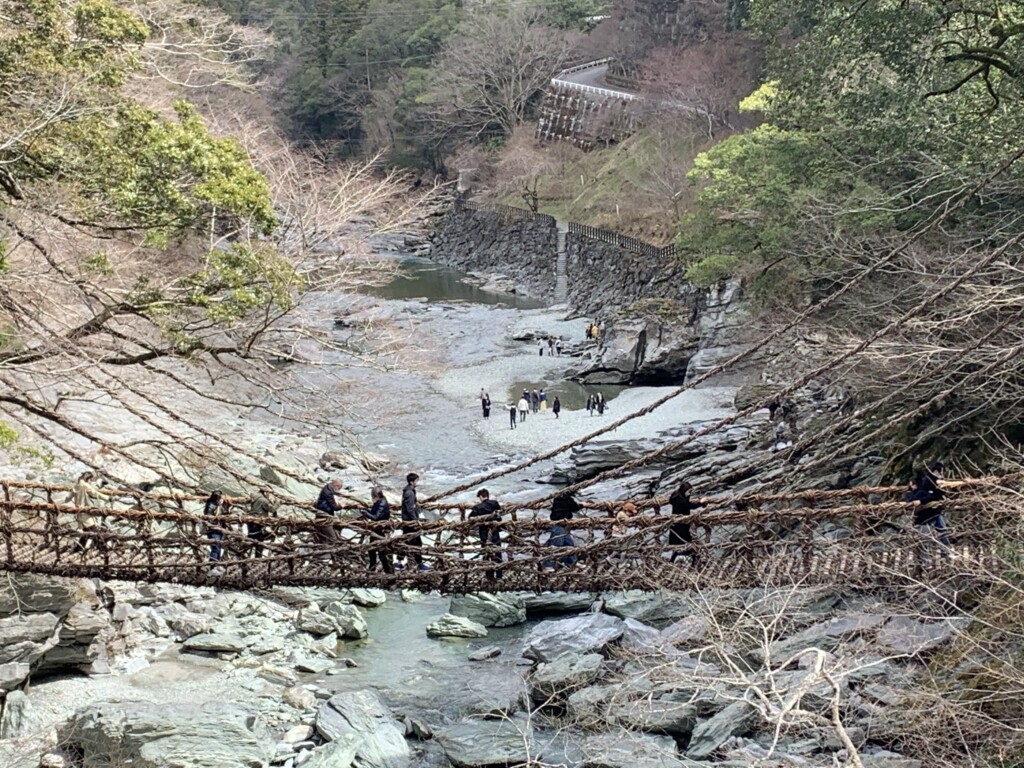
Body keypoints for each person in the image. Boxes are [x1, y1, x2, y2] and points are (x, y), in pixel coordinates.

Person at [909, 462, 950, 548]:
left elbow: (937, 495)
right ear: (935, 471)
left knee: (942, 532)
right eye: (940, 472)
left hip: (934, 511)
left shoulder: (937, 482)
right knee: (926, 537)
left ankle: (946, 552)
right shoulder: (926, 482)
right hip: (924, 514)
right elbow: (929, 495)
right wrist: (922, 500)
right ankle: (944, 553)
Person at [469, 488, 503, 579]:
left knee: (487, 554)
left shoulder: (477, 508)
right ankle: (499, 576)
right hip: (495, 532)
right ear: (488, 495)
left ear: (481, 497)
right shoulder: (495, 503)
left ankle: (489, 577)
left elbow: (470, 519)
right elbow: (499, 516)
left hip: (484, 534)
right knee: (498, 553)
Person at [667, 481, 702, 565]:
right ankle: (695, 561)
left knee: (677, 546)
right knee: (687, 544)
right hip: (682, 526)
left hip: (675, 525)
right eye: (689, 491)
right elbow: (689, 505)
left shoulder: (675, 496)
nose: (690, 494)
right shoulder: (681, 500)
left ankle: (672, 561)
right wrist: (701, 502)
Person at [72, 471, 107, 555]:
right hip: (84, 512)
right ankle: (102, 550)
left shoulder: (77, 485)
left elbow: (69, 496)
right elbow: (94, 493)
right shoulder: (85, 485)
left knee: (86, 532)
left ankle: (77, 549)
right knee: (93, 531)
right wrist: (108, 498)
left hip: (79, 511)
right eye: (91, 479)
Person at [400, 472, 429, 571]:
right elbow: (409, 509)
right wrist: (416, 521)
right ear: (412, 482)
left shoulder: (408, 491)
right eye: (416, 480)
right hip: (410, 522)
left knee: (406, 540)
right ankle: (419, 564)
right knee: (416, 543)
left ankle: (400, 562)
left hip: (407, 521)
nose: (417, 482)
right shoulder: (410, 493)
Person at [545, 493, 581, 568]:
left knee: (568, 543)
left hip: (558, 524)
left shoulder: (557, 499)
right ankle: (548, 566)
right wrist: (583, 505)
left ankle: (572, 562)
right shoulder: (568, 499)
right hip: (559, 526)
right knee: (555, 545)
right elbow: (575, 508)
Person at [362, 487, 393, 574]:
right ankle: (373, 569)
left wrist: (366, 513)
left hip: (380, 530)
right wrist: (366, 510)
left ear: (375, 495)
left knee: (381, 551)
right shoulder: (380, 501)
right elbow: (373, 513)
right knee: (372, 549)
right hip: (377, 530)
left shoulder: (382, 504)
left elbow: (375, 517)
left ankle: (387, 571)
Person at [248, 487, 277, 558]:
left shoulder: (254, 496)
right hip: (258, 523)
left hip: (251, 521)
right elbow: (272, 510)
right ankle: (257, 558)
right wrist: (278, 503)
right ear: (265, 492)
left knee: (251, 538)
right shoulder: (263, 500)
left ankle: (242, 553)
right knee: (259, 541)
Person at [315, 478, 344, 546]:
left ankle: (321, 551)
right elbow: (334, 507)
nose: (339, 490)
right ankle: (332, 553)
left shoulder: (327, 487)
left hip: (322, 516)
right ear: (336, 485)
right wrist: (341, 506)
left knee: (322, 537)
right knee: (333, 538)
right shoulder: (328, 493)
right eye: (339, 488)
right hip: (324, 519)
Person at [203, 490, 226, 562]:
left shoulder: (217, 505)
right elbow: (209, 517)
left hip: (218, 529)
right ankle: (213, 565)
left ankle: (216, 563)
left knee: (218, 547)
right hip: (213, 529)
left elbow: (224, 513)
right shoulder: (211, 505)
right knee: (215, 548)